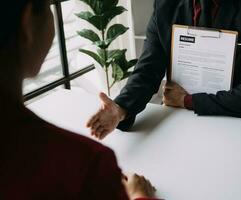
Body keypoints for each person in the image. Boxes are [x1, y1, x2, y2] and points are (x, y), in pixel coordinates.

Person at [0, 0, 157, 199]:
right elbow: (149, 68)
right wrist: (140, 196)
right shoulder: (84, 164)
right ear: (28, 22)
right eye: (49, 7)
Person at [87, 0, 241, 139]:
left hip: (238, 123)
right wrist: (121, 109)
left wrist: (187, 100)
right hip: (180, 121)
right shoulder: (165, 6)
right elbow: (148, 68)